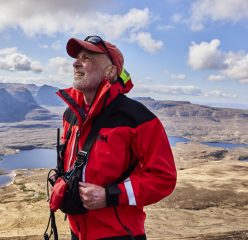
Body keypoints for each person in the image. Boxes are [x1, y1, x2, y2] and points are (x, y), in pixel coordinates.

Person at [54, 35, 177, 240]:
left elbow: (163, 179)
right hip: (77, 231)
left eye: (87, 58)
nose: (76, 63)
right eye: (77, 58)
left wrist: (110, 195)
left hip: (118, 233)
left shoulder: (137, 119)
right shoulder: (70, 115)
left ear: (110, 71)